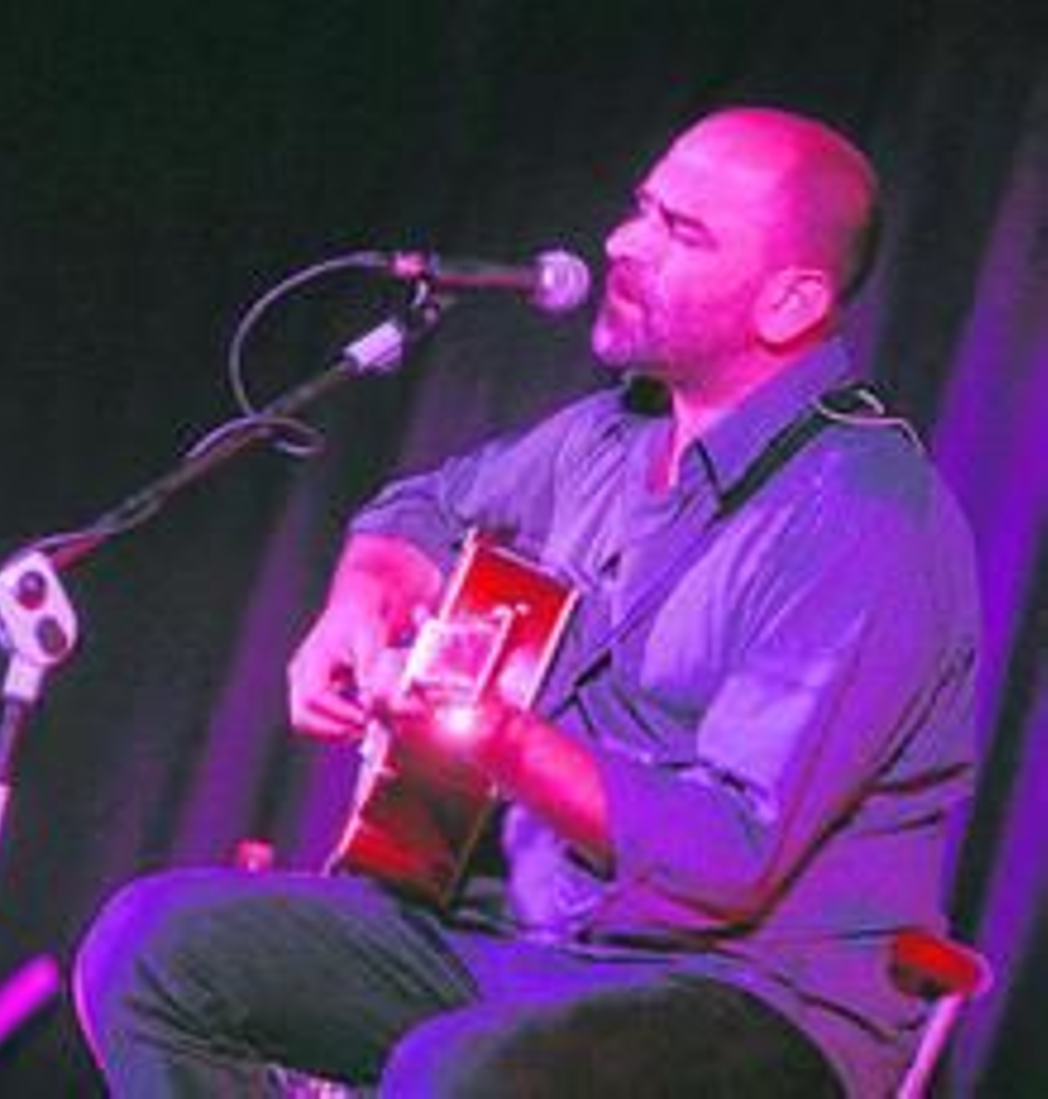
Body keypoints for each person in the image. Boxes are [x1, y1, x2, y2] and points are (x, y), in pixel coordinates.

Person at [73, 106, 979, 1096]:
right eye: (641, 208)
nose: (621, 243)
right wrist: (361, 599)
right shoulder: (604, 438)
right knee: (154, 951)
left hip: (748, 998)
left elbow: (725, 856)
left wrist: (496, 739)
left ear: (788, 303)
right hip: (520, 948)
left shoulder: (862, 517)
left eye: (682, 232)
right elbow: (416, 510)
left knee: (457, 1069)